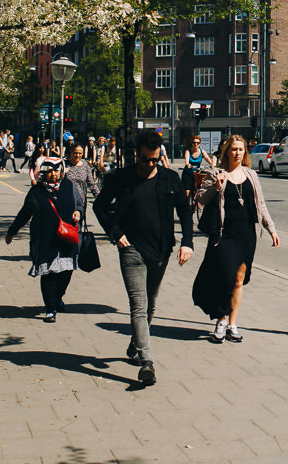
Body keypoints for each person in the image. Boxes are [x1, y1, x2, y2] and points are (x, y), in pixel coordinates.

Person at [93, 129, 194, 386]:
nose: (150, 165)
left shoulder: (170, 179)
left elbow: (184, 211)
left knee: (150, 303)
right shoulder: (122, 178)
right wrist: (115, 233)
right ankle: (147, 361)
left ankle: (136, 343)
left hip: (161, 250)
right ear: (137, 154)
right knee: (138, 305)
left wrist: (187, 243)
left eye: (155, 160)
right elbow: (99, 206)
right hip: (131, 249)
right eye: (145, 159)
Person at [193, 135, 280, 343]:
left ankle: (232, 324)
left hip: (245, 234)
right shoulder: (216, 173)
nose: (238, 153)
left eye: (241, 149)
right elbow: (200, 199)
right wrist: (216, 186)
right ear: (227, 152)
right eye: (234, 149)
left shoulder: (251, 175)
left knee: (239, 280)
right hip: (224, 234)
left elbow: (261, 205)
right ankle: (221, 321)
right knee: (225, 277)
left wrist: (272, 229)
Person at [5, 158, 83, 322]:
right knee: (48, 274)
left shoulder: (69, 186)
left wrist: (78, 213)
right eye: (50, 171)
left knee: (66, 273)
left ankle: (58, 297)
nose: (54, 174)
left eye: (57, 171)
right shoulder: (36, 192)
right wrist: (12, 231)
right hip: (45, 240)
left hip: (67, 238)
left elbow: (79, 204)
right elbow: (24, 213)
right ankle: (50, 308)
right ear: (43, 173)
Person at [64, 142, 100, 230]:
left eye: (80, 153)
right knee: (65, 229)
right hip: (66, 202)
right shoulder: (64, 164)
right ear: (71, 152)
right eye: (75, 153)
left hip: (80, 204)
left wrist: (100, 198)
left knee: (77, 228)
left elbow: (91, 184)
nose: (77, 155)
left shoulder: (85, 166)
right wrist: (62, 173)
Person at [182, 135, 215, 209]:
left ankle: (196, 200)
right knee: (187, 192)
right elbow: (187, 159)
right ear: (192, 143)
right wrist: (188, 164)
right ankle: (186, 208)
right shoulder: (188, 151)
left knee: (199, 187)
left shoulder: (202, 151)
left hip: (196, 173)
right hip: (188, 173)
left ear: (200, 143)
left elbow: (207, 158)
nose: (196, 144)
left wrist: (212, 164)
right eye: (194, 143)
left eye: (197, 143)